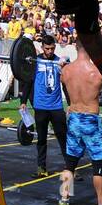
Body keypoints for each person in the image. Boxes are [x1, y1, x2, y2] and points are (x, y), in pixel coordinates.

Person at [57, 51, 102, 205]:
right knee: (98, 164)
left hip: (73, 119)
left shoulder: (66, 71)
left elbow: (65, 87)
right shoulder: (97, 72)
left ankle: (64, 199)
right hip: (90, 121)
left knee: (70, 163)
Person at [32, 34, 67, 177]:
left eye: (52, 48)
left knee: (63, 137)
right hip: (40, 106)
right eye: (47, 49)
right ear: (42, 47)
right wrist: (23, 102)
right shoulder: (35, 61)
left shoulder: (60, 62)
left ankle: (70, 168)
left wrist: (70, 104)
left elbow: (65, 84)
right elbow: (28, 80)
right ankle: (41, 168)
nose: (50, 51)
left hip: (56, 106)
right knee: (41, 139)